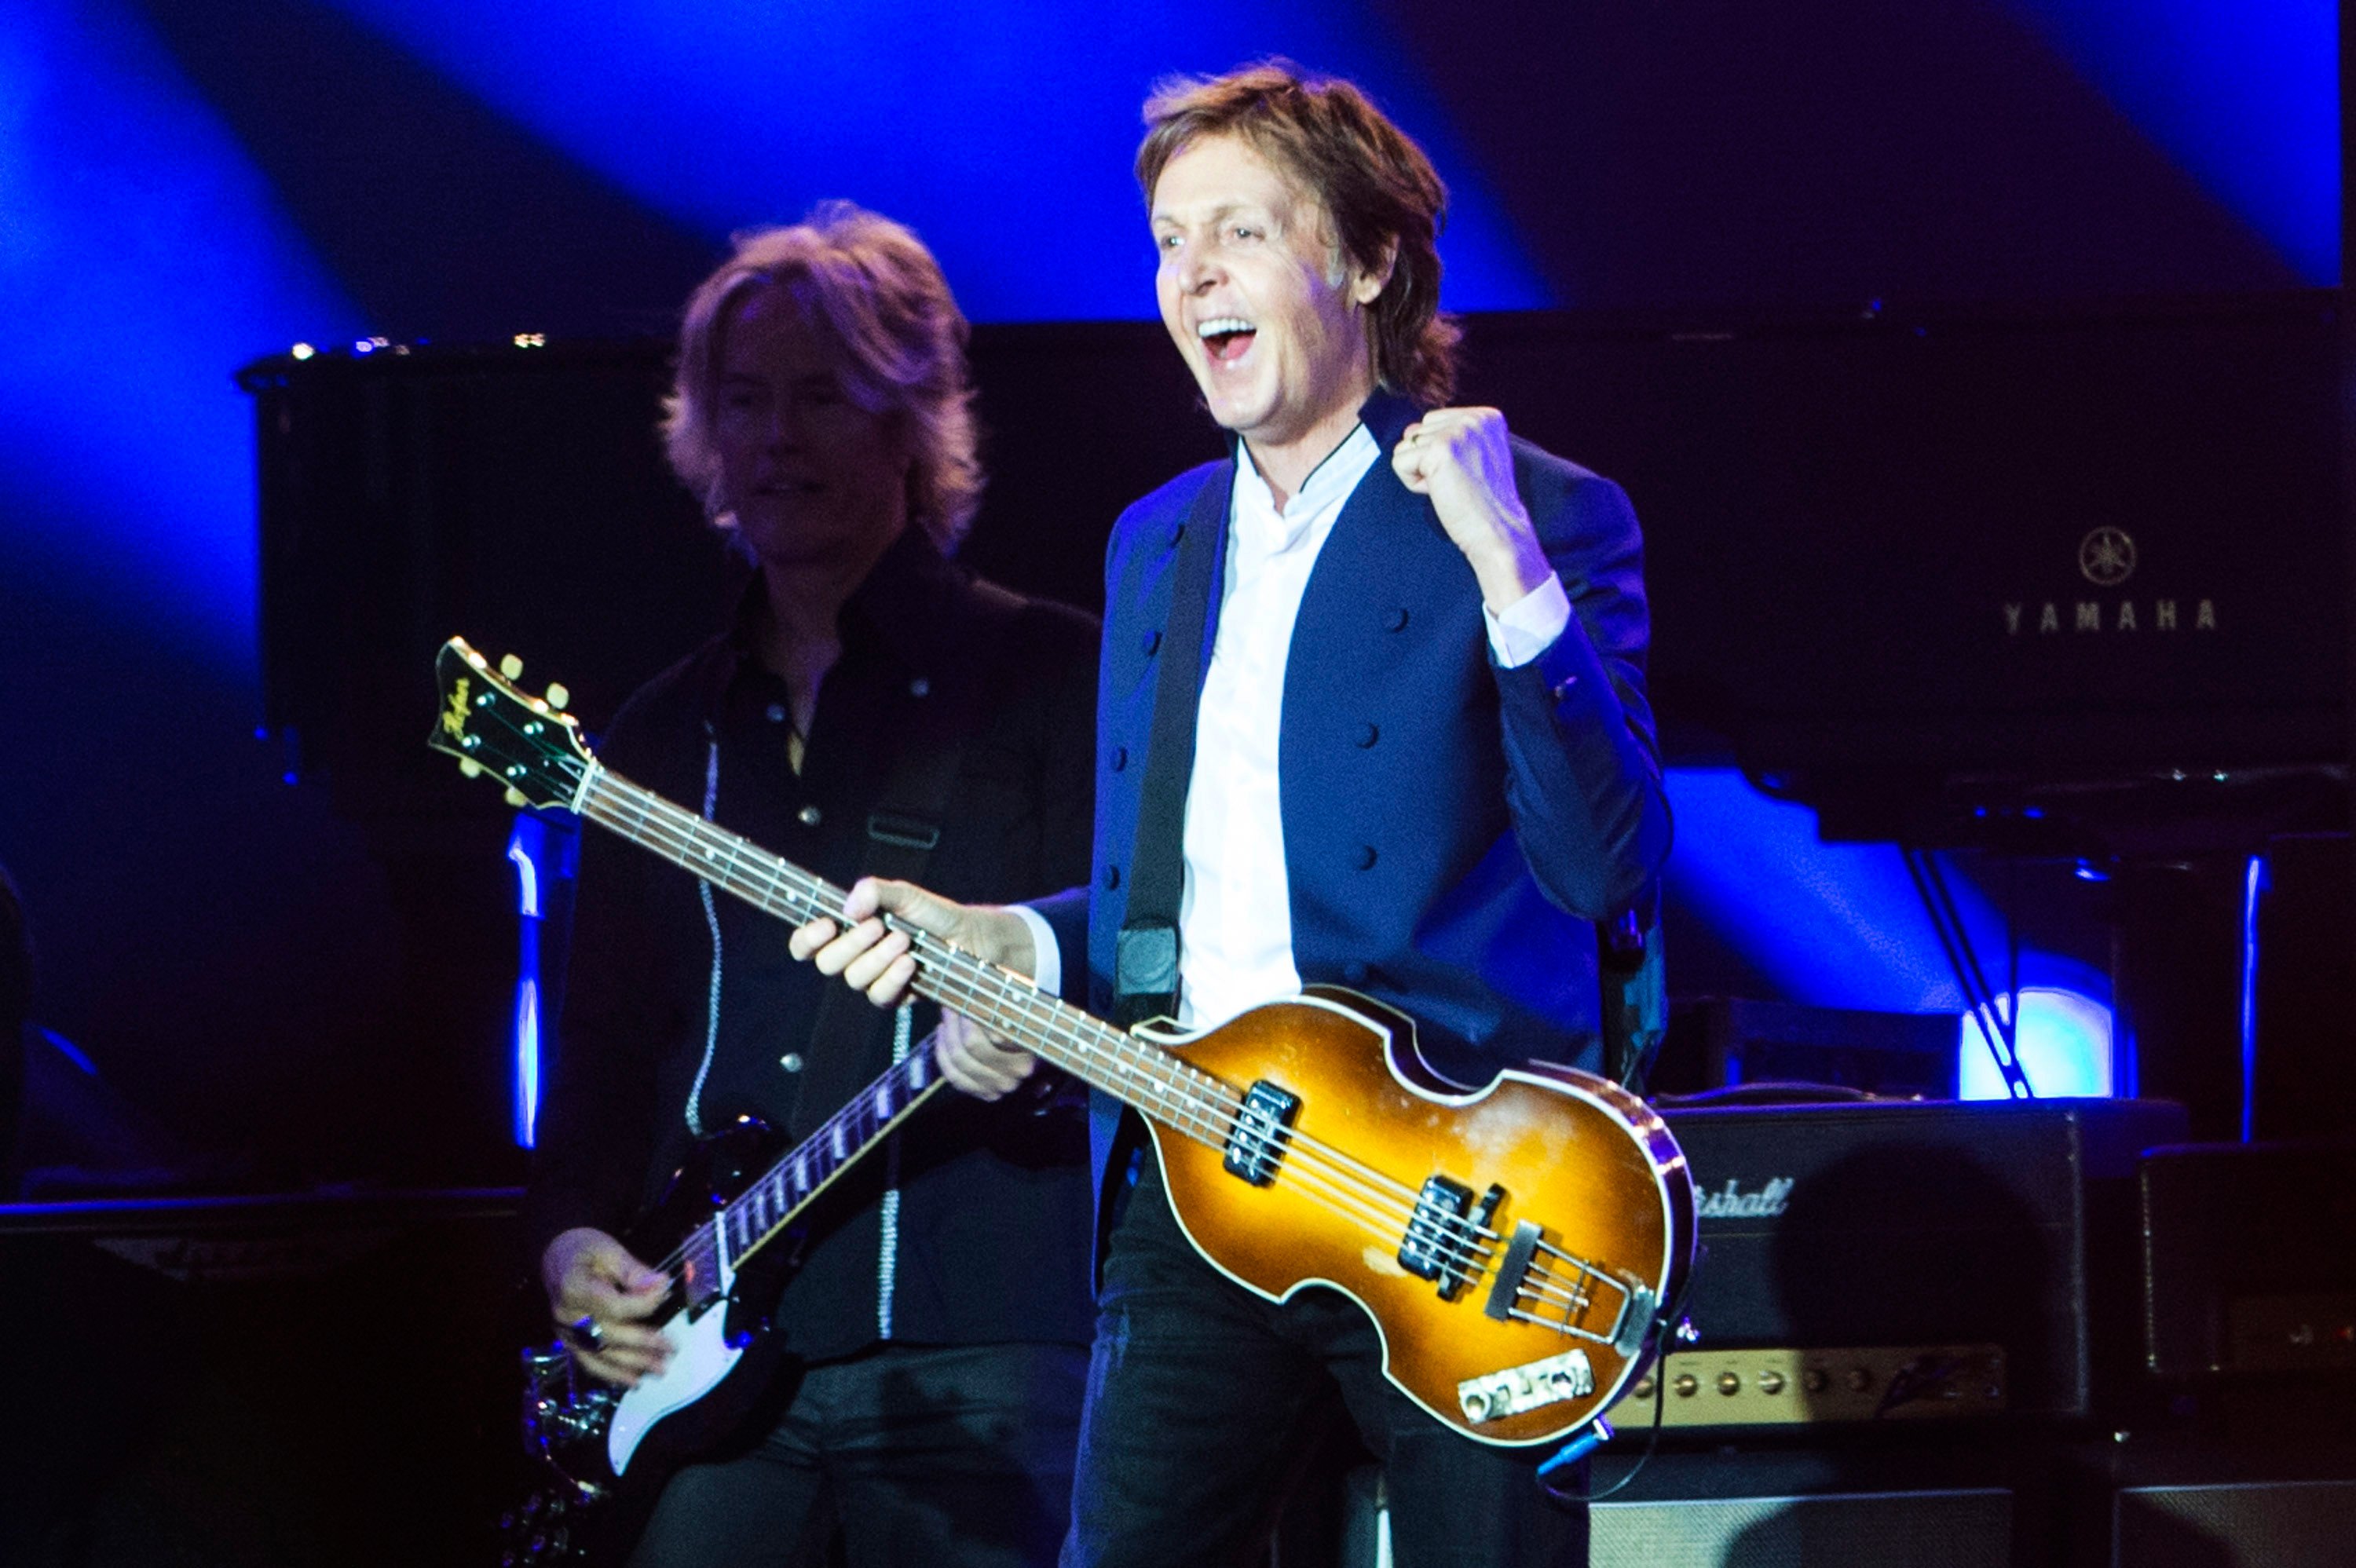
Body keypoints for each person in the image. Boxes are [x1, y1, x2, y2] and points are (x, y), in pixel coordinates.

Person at [796, 64, 1671, 1566]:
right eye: (1166, 241)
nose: (1191, 273)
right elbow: (1177, 900)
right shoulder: (1161, 542)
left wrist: (1507, 565)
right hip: (1204, 1179)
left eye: (1240, 233)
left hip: (1457, 1202)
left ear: (1371, 259)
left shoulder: (1539, 505)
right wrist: (1009, 935)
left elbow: (1604, 864)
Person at [524, 203, 1102, 1568]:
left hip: (980, 1337)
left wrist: (1035, 1045)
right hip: (701, 1368)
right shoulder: (657, 736)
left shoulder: (1056, 681)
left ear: (912, 417)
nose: (777, 437)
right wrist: (568, 1246)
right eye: (746, 401)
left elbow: (1157, 967)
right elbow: (600, 1055)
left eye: (823, 395)